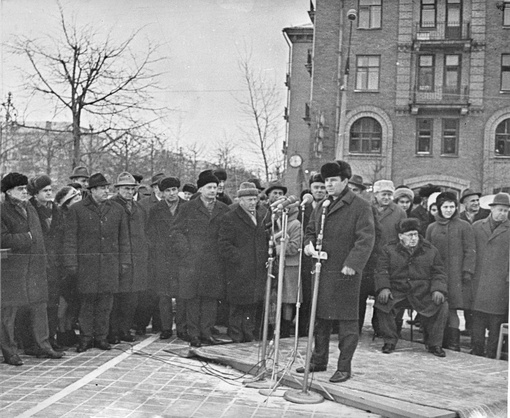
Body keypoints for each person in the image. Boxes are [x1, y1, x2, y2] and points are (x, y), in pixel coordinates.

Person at [296, 160, 375, 383]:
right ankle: (319, 360)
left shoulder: (360, 206)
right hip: (322, 271)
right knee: (320, 319)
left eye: (333, 181)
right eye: (326, 181)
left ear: (345, 181)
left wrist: (353, 263)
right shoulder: (322, 205)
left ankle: (344, 367)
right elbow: (310, 229)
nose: (328, 185)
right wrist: (308, 244)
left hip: (345, 273)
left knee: (347, 322)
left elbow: (366, 239)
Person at [1, 172, 63, 365]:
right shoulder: (2, 210)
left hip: (35, 267)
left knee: (39, 307)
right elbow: (3, 238)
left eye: (24, 188)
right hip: (13, 270)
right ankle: (9, 351)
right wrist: (26, 238)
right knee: (9, 312)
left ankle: (44, 346)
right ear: (8, 191)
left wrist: (43, 261)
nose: (23, 192)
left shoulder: (30, 207)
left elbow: (40, 238)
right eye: (19, 189)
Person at [64, 173, 131, 352]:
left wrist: (125, 261)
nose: (106, 191)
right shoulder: (77, 210)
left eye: (107, 188)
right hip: (87, 266)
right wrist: (71, 263)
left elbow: (124, 238)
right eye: (102, 188)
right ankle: (86, 338)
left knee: (105, 304)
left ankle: (101, 337)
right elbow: (70, 239)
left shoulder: (117, 209)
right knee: (87, 303)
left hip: (110, 265)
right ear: (92, 190)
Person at [172, 170, 230, 347]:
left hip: (214, 262)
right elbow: (176, 231)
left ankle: (207, 333)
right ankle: (194, 334)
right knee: (192, 298)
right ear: (201, 189)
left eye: (215, 187)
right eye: (209, 187)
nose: (213, 190)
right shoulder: (188, 208)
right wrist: (185, 251)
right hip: (192, 262)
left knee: (210, 299)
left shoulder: (223, 208)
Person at [375, 218, 449, 357]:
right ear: (400, 236)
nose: (414, 238)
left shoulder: (430, 250)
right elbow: (381, 271)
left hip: (422, 292)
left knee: (442, 305)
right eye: (409, 235)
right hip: (398, 291)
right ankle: (390, 341)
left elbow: (439, 272)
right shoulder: (388, 249)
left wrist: (438, 289)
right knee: (382, 302)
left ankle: (435, 344)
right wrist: (384, 288)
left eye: (415, 234)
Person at [218, 182, 268, 343]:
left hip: (256, 270)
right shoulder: (230, 217)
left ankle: (248, 333)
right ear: (240, 200)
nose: (253, 203)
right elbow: (224, 244)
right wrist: (240, 258)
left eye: (255, 199)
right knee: (237, 306)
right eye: (248, 200)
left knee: (252, 305)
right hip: (238, 271)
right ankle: (236, 335)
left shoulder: (259, 217)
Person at [426, 192, 476, 351]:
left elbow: (470, 250)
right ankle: (437, 341)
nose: (449, 210)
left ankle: (454, 343)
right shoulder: (432, 227)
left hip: (456, 275)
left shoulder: (464, 226)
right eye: (445, 207)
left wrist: (467, 271)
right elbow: (426, 251)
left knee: (453, 308)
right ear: (439, 208)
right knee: (438, 307)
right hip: (436, 276)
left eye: (452, 206)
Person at [108, 172, 148, 344]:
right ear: (118, 189)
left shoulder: (139, 209)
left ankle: (125, 330)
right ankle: (113, 331)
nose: (129, 192)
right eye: (126, 188)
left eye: (132, 189)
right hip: (119, 259)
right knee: (116, 299)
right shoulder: (111, 206)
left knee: (131, 299)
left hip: (137, 260)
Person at [147, 176, 187, 341]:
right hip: (162, 258)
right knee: (164, 295)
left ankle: (182, 328)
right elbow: (151, 234)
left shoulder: (186, 207)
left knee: (182, 295)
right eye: (168, 191)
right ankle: (166, 328)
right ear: (162, 193)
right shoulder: (156, 210)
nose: (172, 194)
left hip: (182, 257)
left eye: (174, 190)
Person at [471, 193, 510, 358]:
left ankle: (492, 353)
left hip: (500, 282)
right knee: (477, 318)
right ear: (492, 209)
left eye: (506, 211)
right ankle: (476, 350)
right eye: (500, 209)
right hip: (479, 281)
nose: (503, 213)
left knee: (496, 320)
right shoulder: (477, 226)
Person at [26, 175, 63, 351]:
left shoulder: (56, 209)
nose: (49, 193)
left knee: (53, 303)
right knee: (37, 304)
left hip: (54, 264)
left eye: (50, 190)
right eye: (45, 191)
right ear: (35, 194)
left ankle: (51, 338)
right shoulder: (29, 209)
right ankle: (35, 342)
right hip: (37, 265)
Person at [348, 175, 382, 335]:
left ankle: (356, 330)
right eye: (349, 190)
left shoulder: (367, 208)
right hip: (341, 260)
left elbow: (375, 235)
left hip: (363, 261)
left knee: (359, 297)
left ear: (361, 192)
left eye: (355, 190)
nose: (352, 193)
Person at [134, 172, 165, 335]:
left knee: (162, 292)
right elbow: (141, 230)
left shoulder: (172, 204)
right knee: (147, 293)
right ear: (153, 188)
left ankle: (160, 324)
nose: (163, 190)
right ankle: (141, 324)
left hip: (165, 255)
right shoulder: (144, 205)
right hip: (149, 255)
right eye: (160, 186)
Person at [54, 186, 82, 347]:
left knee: (73, 302)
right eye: (75, 197)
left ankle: (69, 330)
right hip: (64, 267)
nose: (79, 199)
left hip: (77, 264)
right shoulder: (61, 218)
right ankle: (61, 331)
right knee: (63, 302)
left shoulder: (78, 215)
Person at [299, 173, 326, 337]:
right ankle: (303, 329)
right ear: (310, 188)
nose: (320, 191)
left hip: (323, 256)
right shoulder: (305, 207)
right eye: (316, 187)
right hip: (306, 257)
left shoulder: (328, 206)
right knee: (306, 295)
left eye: (323, 187)